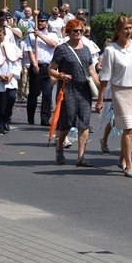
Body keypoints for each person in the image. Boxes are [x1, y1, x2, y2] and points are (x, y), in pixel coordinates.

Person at [96, 16, 132, 177]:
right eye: (125, 29)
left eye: (130, 28)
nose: (129, 32)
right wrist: (100, 100)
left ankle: (122, 158)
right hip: (120, 91)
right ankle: (129, 166)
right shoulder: (110, 50)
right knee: (128, 128)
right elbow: (105, 77)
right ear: (118, 31)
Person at [49, 19, 100, 167]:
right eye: (75, 31)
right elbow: (51, 68)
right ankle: (59, 146)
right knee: (67, 121)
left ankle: (81, 157)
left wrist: (101, 87)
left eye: (81, 31)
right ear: (69, 32)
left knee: (84, 123)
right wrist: (60, 76)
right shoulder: (62, 49)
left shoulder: (85, 49)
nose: (78, 33)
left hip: (84, 90)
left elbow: (92, 70)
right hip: (68, 89)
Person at [25, 12, 59, 126]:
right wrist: (34, 65)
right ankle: (30, 116)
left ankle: (45, 118)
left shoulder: (52, 35)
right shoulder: (30, 36)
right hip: (37, 66)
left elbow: (54, 44)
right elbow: (29, 51)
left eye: (42, 21)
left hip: (49, 67)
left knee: (47, 94)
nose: (40, 23)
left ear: (47, 22)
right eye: (38, 21)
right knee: (34, 93)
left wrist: (40, 36)